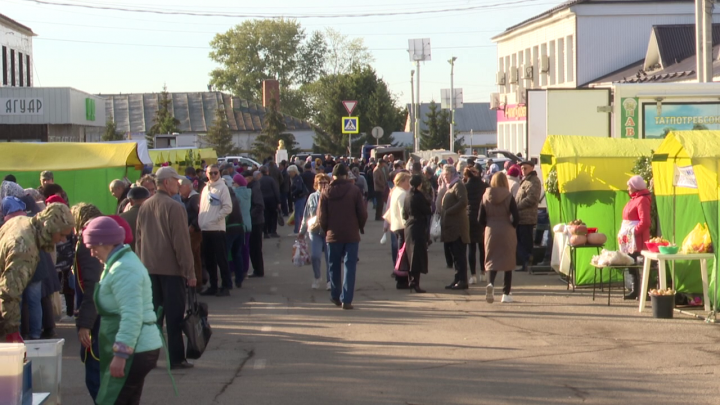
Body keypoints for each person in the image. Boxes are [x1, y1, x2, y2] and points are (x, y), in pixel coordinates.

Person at [82, 217, 162, 404]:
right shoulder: (120, 263)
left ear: (107, 243)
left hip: (136, 350)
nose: (92, 253)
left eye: (94, 247)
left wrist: (121, 354)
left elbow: (132, 315)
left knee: (111, 400)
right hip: (139, 346)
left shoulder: (124, 269)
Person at [136, 167, 196, 370]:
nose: (178, 185)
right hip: (172, 271)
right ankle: (176, 358)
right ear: (167, 182)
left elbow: (138, 240)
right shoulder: (174, 207)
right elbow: (182, 243)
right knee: (174, 317)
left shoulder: (144, 206)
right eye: (176, 181)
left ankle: (148, 357)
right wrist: (190, 272)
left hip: (149, 269)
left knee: (153, 316)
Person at [0, 203, 74, 343]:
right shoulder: (24, 248)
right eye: (62, 235)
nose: (62, 240)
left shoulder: (21, 220)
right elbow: (9, 292)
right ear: (52, 228)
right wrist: (12, 332)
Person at [318, 164, 367, 310]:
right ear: (346, 175)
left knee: (333, 265)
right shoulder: (354, 190)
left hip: (333, 235)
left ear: (333, 176)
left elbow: (322, 216)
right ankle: (347, 299)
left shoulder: (325, 192)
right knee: (349, 266)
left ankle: (335, 294)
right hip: (351, 234)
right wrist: (360, 226)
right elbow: (362, 212)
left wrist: (326, 230)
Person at [71, 203, 104, 400]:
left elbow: (92, 287)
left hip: (97, 316)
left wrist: (85, 324)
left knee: (95, 371)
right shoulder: (105, 235)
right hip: (104, 312)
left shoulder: (88, 242)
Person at [481, 172, 520, 304]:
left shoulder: (485, 196)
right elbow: (516, 216)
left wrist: (488, 225)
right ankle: (506, 293)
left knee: (491, 260)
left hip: (491, 230)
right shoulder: (508, 196)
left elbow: (479, 218)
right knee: (507, 261)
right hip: (506, 229)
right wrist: (512, 226)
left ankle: (491, 283)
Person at [199, 164, 233, 297]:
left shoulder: (222, 188)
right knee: (209, 260)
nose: (213, 175)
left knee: (221, 259)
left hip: (217, 229)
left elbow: (228, 207)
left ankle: (226, 285)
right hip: (205, 229)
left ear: (219, 173)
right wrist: (202, 221)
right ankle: (213, 285)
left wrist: (215, 219)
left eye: (215, 173)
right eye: (210, 173)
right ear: (206, 174)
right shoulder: (205, 189)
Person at [619, 175, 652, 300]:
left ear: (635, 187)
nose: (628, 188)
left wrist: (633, 232)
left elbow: (646, 222)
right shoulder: (633, 199)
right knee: (631, 263)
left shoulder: (642, 200)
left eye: (629, 186)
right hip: (630, 240)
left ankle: (644, 291)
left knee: (640, 265)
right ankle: (635, 290)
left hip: (638, 240)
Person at [440, 165, 470, 290]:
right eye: (443, 175)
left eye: (446, 175)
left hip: (458, 228)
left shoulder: (458, 185)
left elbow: (463, 202)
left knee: (459, 255)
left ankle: (462, 280)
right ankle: (457, 279)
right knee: (455, 256)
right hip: (451, 227)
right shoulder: (450, 186)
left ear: (452, 174)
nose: (444, 178)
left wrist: (448, 211)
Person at [299, 174, 330, 290]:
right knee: (315, 256)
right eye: (320, 183)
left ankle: (329, 281)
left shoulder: (331, 195)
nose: (322, 185)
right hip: (315, 230)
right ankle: (317, 277)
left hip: (328, 231)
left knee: (330, 258)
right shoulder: (312, 197)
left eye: (325, 182)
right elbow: (306, 214)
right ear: (316, 184)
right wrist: (302, 231)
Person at [403, 175, 431, 293]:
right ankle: (415, 282)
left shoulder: (407, 195)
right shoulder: (419, 196)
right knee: (417, 256)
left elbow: (404, 213)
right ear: (419, 184)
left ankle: (411, 280)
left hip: (409, 227)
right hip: (418, 226)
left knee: (410, 255)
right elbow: (427, 210)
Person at [384, 172, 411, 289]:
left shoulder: (395, 192)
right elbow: (403, 212)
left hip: (396, 226)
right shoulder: (402, 194)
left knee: (401, 253)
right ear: (402, 181)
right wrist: (408, 226)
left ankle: (401, 278)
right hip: (402, 227)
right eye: (407, 181)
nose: (409, 184)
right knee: (403, 254)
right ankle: (401, 279)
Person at [515, 161, 542, 272]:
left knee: (525, 241)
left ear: (532, 167)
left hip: (527, 217)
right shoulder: (525, 180)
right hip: (520, 217)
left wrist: (517, 206)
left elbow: (532, 198)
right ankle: (525, 261)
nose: (523, 170)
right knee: (520, 241)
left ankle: (527, 260)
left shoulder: (534, 181)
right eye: (522, 168)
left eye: (525, 168)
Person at [464, 166, 488, 285]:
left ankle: (473, 275)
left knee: (471, 247)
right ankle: (483, 272)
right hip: (483, 217)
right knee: (482, 246)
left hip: (470, 218)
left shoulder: (465, 187)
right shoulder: (484, 186)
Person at [179, 178, 203, 290]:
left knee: (193, 256)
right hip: (189, 231)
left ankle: (198, 281)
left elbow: (201, 213)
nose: (179, 189)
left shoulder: (194, 198)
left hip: (195, 232)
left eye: (181, 186)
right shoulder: (185, 198)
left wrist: (193, 225)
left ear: (188, 186)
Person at [244, 170, 266, 278]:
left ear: (249, 178)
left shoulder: (254, 188)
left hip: (256, 222)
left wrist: (250, 216)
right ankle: (258, 269)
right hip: (256, 220)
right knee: (254, 247)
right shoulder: (253, 187)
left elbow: (259, 205)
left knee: (255, 247)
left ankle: (258, 270)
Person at [231, 174, 253, 287]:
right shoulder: (248, 192)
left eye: (234, 182)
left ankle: (238, 270)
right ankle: (245, 269)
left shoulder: (236, 194)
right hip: (248, 222)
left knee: (237, 250)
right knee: (246, 247)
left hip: (239, 223)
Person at [119, 186, 150, 252]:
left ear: (130, 201)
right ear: (148, 199)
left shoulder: (122, 218)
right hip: (150, 256)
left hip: (130, 255)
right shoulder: (154, 215)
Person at [259, 166, 281, 238]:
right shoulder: (271, 180)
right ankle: (273, 231)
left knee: (265, 216)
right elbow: (276, 190)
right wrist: (278, 201)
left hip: (263, 199)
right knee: (273, 216)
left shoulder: (259, 180)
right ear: (267, 172)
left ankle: (265, 232)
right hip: (272, 199)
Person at [288, 165, 309, 235]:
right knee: (301, 214)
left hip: (299, 197)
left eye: (290, 172)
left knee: (298, 214)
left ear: (294, 172)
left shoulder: (297, 179)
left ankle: (297, 230)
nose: (289, 174)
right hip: (300, 197)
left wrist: (292, 193)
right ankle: (301, 229)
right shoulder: (296, 178)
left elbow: (299, 188)